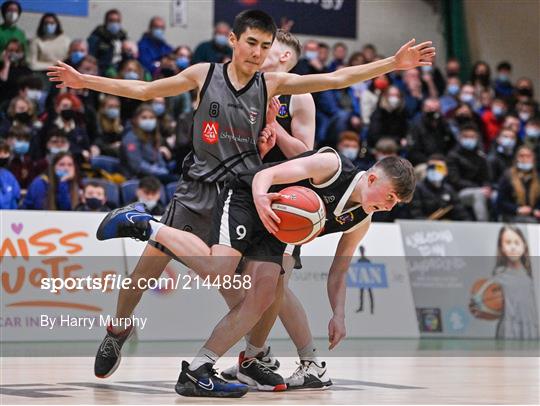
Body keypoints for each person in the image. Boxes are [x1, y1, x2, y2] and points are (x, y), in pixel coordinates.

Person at [48, 8, 434, 397]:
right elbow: (146, 91)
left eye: (265, 46)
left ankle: (252, 357)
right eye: (253, 43)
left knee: (261, 287)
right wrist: (84, 82)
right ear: (233, 41)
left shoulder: (273, 86)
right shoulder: (204, 74)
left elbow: (336, 79)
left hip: (243, 191)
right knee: (145, 273)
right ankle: (118, 326)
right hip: (197, 186)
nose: (259, 52)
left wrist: (393, 64)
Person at [96, 150, 416, 398]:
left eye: (396, 203)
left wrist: (339, 314)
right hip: (249, 198)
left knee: (264, 295)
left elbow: (339, 271)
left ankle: (200, 369)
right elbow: (268, 174)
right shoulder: (332, 166)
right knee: (210, 270)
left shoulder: (361, 218)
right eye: (390, 197)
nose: (390, 206)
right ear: (373, 179)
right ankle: (143, 224)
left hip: (278, 227)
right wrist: (262, 197)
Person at [470, 225, 539, 339]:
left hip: (532, 331)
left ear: (524, 246)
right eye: (508, 242)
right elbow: (477, 305)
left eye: (517, 242)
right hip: (509, 333)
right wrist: (480, 309)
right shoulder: (497, 279)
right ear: (501, 247)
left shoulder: (533, 276)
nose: (513, 247)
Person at [446, 124, 492, 221]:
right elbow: (455, 181)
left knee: (496, 195)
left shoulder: (480, 156)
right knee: (478, 194)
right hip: (459, 192)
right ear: (459, 137)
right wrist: (478, 188)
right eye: (466, 137)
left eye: (472, 137)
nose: (469, 139)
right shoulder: (452, 156)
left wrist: (487, 187)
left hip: (480, 189)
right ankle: (484, 226)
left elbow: (486, 177)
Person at [120, 103, 173, 183]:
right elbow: (136, 165)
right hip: (136, 177)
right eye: (144, 117)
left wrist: (163, 169)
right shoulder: (130, 137)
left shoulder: (153, 136)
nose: (148, 120)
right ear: (135, 119)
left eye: (151, 118)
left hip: (153, 176)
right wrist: (156, 171)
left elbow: (158, 158)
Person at [409, 154, 470, 221]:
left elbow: (460, 213)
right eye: (431, 167)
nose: (435, 170)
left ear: (445, 171)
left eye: (439, 168)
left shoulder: (449, 190)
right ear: (426, 170)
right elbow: (415, 214)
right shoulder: (417, 188)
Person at [496, 146, 540, 223]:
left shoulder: (537, 178)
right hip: (512, 214)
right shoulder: (507, 176)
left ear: (533, 159)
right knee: (530, 221)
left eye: (528, 156)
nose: (525, 159)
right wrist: (517, 209)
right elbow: (501, 201)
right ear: (516, 159)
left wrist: (536, 210)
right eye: (521, 156)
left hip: (533, 214)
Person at [407, 97, 455, 167]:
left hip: (443, 161)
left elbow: (452, 145)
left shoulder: (445, 125)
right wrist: (429, 161)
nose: (433, 111)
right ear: (423, 109)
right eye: (429, 109)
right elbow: (412, 151)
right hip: (423, 163)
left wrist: (445, 160)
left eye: (436, 109)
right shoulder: (416, 126)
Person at [87, 9, 127, 74]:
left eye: (117, 21)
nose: (114, 23)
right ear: (106, 22)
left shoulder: (123, 37)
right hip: (100, 71)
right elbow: (90, 58)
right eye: (111, 21)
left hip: (119, 72)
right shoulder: (97, 36)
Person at [0, 139, 20, 209]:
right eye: (0, 152)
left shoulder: (9, 176)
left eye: (5, 152)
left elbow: (15, 198)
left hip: (9, 217)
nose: (2, 155)